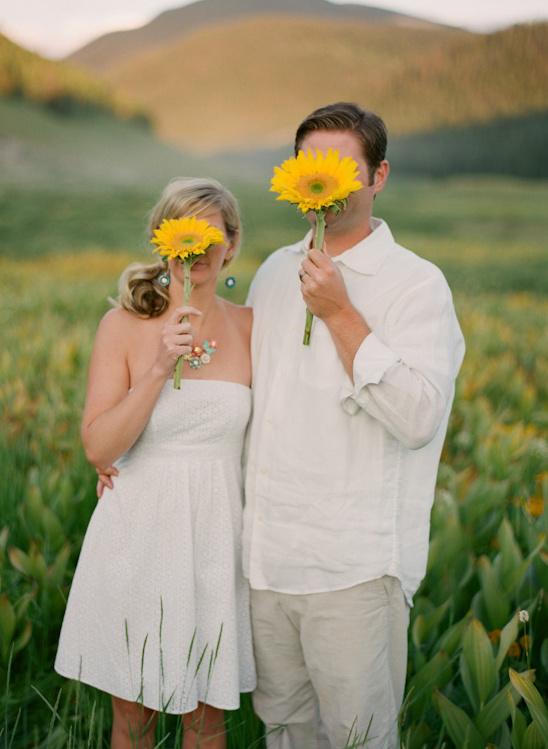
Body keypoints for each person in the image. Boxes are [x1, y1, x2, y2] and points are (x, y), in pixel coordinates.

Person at [243, 102, 465, 749]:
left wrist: (341, 313)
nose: (329, 180)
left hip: (352, 569)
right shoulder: (273, 271)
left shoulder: (416, 285)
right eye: (314, 166)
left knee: (358, 739)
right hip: (266, 563)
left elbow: (421, 416)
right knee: (283, 733)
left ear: (379, 176)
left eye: (344, 166)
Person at [54, 177, 256, 749]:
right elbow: (99, 447)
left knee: (206, 719)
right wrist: (157, 366)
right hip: (137, 534)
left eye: (209, 238)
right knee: (134, 715)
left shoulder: (250, 326)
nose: (194, 254)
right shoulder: (120, 327)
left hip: (218, 537)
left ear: (233, 245)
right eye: (181, 238)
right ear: (160, 244)